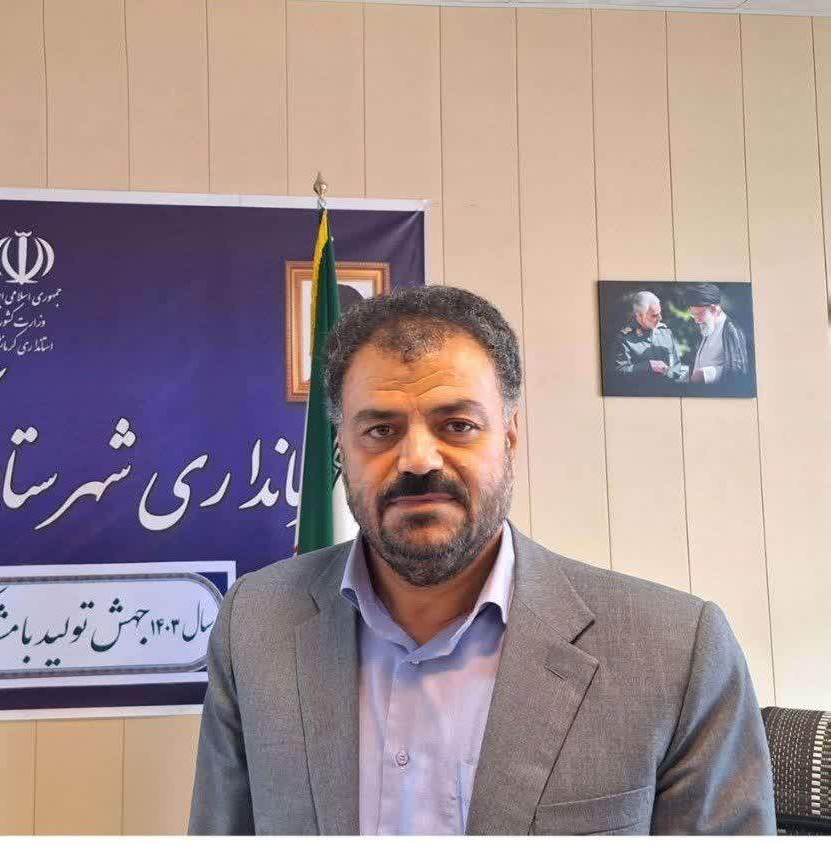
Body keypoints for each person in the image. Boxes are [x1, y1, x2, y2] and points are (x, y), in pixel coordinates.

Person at [189, 286, 774, 835]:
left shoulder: (676, 652)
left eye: (458, 425)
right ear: (341, 448)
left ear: (510, 437)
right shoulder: (255, 626)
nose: (418, 460)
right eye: (381, 429)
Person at [683, 283, 748, 386]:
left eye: (699, 314)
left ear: (713, 309)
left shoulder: (731, 329)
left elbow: (739, 370)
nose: (696, 320)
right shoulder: (707, 326)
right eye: (693, 315)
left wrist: (706, 374)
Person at [612, 290, 685, 381]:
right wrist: (648, 366)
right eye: (654, 315)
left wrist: (668, 374)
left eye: (660, 313)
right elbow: (619, 372)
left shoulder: (665, 333)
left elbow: (676, 366)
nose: (660, 318)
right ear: (639, 315)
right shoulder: (625, 338)